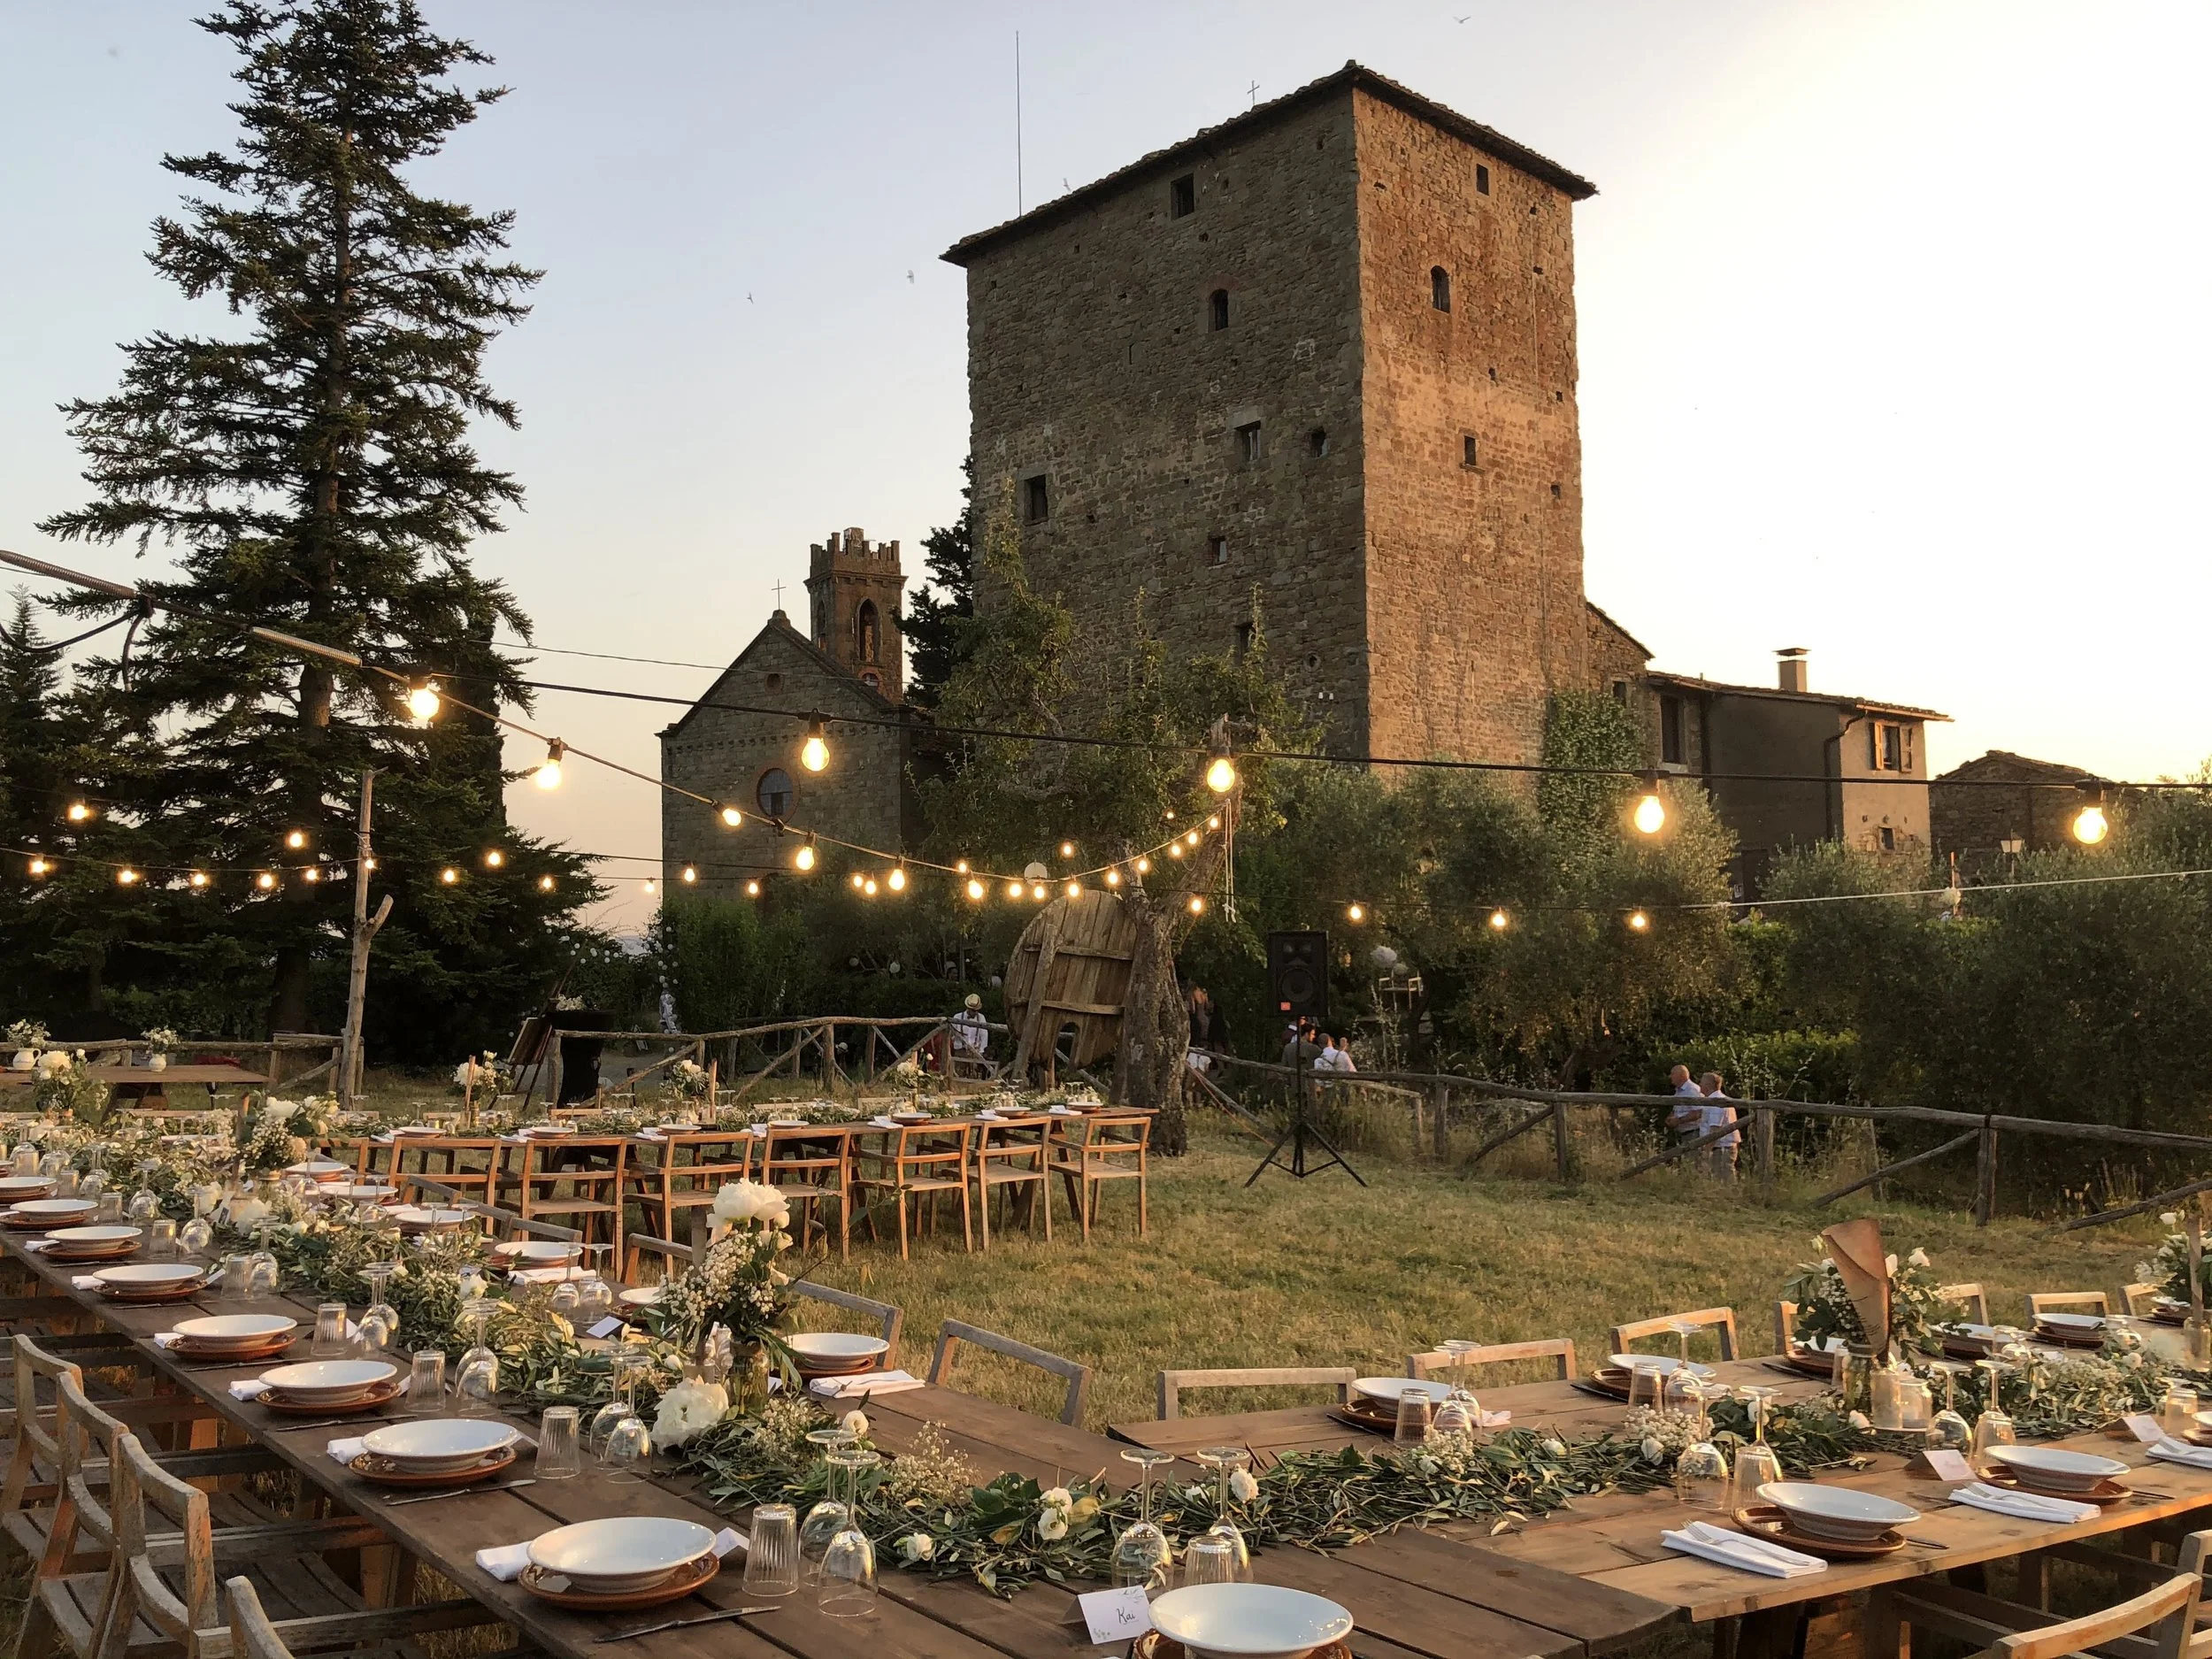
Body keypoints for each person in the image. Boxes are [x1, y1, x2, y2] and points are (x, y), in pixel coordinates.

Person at [1700, 1071, 1740, 1180]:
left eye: (1701, 1083)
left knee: (1723, 1178)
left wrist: (1706, 1151)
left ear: (1708, 1085)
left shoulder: (1716, 1103)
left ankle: (1731, 1196)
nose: (1699, 1086)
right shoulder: (1716, 1100)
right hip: (1721, 1147)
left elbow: (1715, 1130)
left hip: (1721, 1149)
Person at [1666, 1064, 1704, 1148]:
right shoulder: (1679, 1091)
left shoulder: (1692, 1090)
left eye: (1673, 1074)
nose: (1670, 1076)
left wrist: (1679, 1121)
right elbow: (1677, 1109)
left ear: (1682, 1075)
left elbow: (1698, 1112)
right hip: (1684, 1134)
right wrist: (1671, 1118)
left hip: (1693, 1133)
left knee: (1692, 1159)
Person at [950, 994, 988, 1061]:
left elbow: (984, 1036)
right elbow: (951, 1034)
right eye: (973, 1011)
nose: (975, 1013)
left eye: (977, 1010)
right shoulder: (957, 1017)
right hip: (960, 1051)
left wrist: (982, 1051)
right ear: (968, 1008)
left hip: (976, 1052)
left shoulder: (981, 1018)